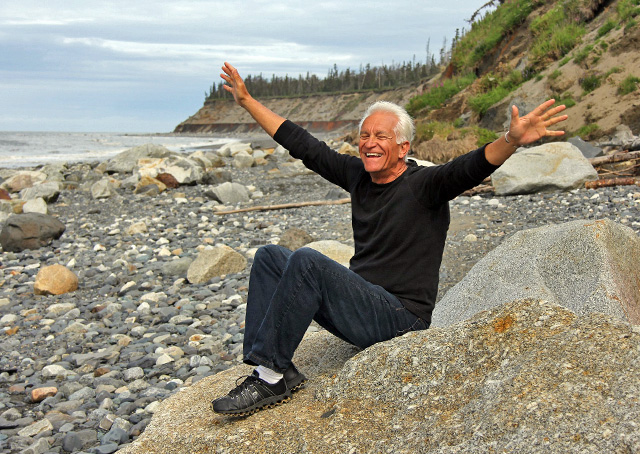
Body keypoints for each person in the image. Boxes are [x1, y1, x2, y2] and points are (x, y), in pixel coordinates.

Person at [211, 62, 568, 416]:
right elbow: (303, 144)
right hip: (362, 309)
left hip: (401, 321)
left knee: (307, 259)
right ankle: (271, 366)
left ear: (402, 147)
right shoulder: (358, 176)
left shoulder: (426, 185)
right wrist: (247, 102)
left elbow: (470, 166)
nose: (370, 143)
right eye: (365, 136)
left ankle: (270, 377)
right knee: (270, 256)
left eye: (381, 136)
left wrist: (511, 139)